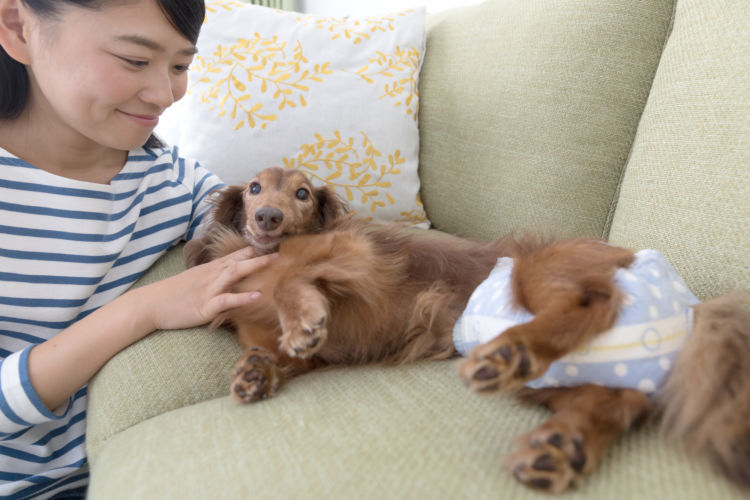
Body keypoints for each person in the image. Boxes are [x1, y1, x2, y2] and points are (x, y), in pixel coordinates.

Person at [0, 1, 272, 498]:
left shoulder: (172, 182)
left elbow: (263, 244)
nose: (165, 93)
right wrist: (142, 310)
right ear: (19, 28)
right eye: (134, 60)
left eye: (180, 65)